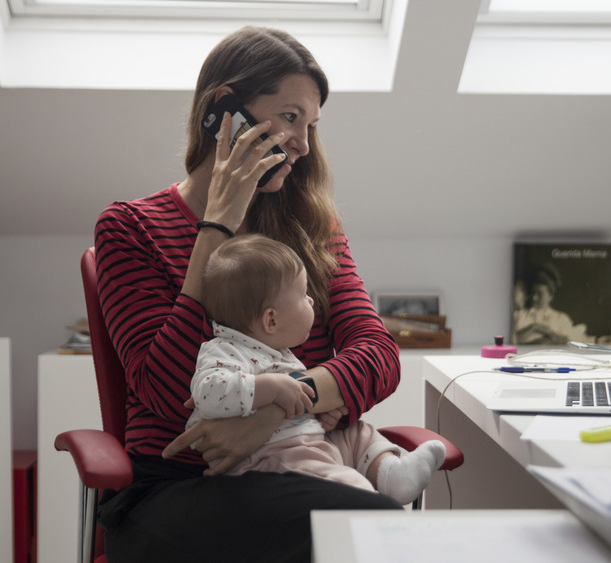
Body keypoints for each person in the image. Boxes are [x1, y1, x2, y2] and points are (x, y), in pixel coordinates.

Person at [93, 26, 408, 562]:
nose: (303, 144)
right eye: (289, 117)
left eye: (310, 125)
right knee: (368, 529)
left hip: (301, 466)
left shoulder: (314, 227)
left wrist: (271, 414)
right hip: (178, 487)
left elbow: (379, 356)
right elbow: (164, 392)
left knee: (365, 528)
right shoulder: (130, 227)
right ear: (224, 110)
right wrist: (214, 228)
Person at [190, 234, 445, 504]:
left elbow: (376, 351)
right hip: (270, 459)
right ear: (271, 320)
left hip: (304, 440)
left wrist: (320, 413)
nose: (312, 301)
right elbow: (207, 393)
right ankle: (365, 497)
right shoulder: (225, 350)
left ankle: (391, 474)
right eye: (303, 295)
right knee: (346, 485)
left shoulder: (277, 350)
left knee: (357, 432)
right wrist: (272, 388)